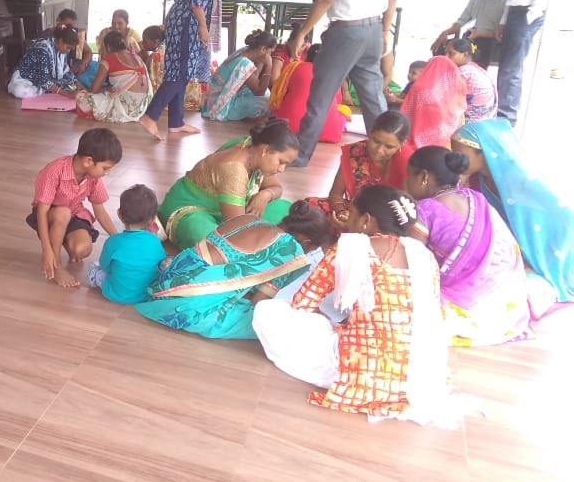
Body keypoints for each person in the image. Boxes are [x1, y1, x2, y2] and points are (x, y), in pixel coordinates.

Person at [254, 185, 453, 425]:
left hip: (360, 375)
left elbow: (302, 304)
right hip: (420, 377)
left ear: (366, 220)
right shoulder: (425, 256)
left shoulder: (350, 247)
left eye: (352, 212)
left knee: (268, 311)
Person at [287, 0, 397, 167]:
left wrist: (302, 32)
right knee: (373, 96)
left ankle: (301, 156)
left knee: (321, 96)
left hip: (346, 32)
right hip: (374, 28)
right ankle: (389, 155)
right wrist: (384, 31)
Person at [135, 201, 329, 339]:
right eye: (312, 250)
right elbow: (258, 302)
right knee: (277, 325)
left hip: (168, 280)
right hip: (189, 306)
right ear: (307, 243)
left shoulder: (250, 218)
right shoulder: (289, 250)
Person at [405, 146, 530, 346]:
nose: (406, 182)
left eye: (409, 175)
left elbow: (412, 261)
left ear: (424, 177)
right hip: (506, 301)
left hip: (463, 304)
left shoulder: (424, 211)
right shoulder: (476, 199)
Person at [452, 118, 574, 303]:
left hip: (543, 255)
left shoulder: (522, 182)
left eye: (460, 154)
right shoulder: (477, 181)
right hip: (508, 252)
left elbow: (555, 222)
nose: (455, 160)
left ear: (484, 153)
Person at [139, 0, 225, 140]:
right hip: (190, 20)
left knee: (178, 70)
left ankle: (176, 122)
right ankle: (150, 116)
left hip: (181, 17)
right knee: (183, 70)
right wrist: (203, 27)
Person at [158, 119, 298, 250]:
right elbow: (238, 228)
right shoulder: (234, 168)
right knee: (207, 238)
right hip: (191, 210)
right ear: (266, 150)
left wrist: (265, 195)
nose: (282, 169)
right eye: (281, 162)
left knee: (288, 211)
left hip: (231, 211)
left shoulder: (253, 149)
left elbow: (277, 188)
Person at [28, 127, 120, 288]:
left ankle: (64, 239)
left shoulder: (93, 177)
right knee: (62, 213)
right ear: (88, 161)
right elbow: (42, 212)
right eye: (105, 168)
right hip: (50, 215)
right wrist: (47, 250)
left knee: (82, 250)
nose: (107, 173)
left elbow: (101, 213)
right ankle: (56, 265)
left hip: (73, 213)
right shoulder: (54, 171)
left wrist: (119, 239)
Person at [309, 110, 413, 230]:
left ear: (402, 144)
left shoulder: (408, 163)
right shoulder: (355, 152)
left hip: (387, 224)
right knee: (310, 207)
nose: (379, 150)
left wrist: (363, 226)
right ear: (370, 132)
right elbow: (336, 193)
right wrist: (341, 213)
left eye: (389, 147)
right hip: (356, 213)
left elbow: (405, 214)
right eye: (375, 141)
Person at [86, 184, 165, 304]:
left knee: (95, 267)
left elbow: (104, 266)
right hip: (146, 295)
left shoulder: (113, 241)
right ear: (152, 219)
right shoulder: (154, 240)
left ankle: (94, 278)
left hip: (115, 294)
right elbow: (160, 262)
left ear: (119, 214)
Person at [431, 0, 510, 68]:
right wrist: (445, 33)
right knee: (441, 47)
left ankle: (470, 77)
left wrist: (480, 33)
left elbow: (507, 32)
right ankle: (445, 80)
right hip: (474, 37)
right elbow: (462, 20)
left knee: (474, 49)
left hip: (493, 41)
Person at [269, 45, 349, 143]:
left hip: (288, 128)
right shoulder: (332, 72)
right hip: (328, 131)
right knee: (345, 111)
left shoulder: (294, 67)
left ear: (306, 55)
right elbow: (338, 101)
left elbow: (279, 92)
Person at [75, 30, 153, 123]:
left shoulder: (109, 59)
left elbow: (93, 91)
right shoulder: (137, 57)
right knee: (108, 95)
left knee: (81, 98)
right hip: (143, 108)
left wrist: (83, 91)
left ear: (108, 47)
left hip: (125, 108)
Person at [201, 29, 275, 122]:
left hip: (211, 101)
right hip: (216, 106)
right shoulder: (244, 62)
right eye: (270, 52)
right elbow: (259, 92)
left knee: (266, 93)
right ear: (263, 49)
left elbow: (254, 82)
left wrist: (260, 64)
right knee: (267, 102)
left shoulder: (244, 51)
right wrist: (269, 66)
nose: (270, 55)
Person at [400, 55, 468, 149]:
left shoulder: (420, 88)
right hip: (445, 141)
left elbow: (408, 111)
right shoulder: (455, 90)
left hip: (418, 141)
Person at [8, 25, 79, 99]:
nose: (68, 51)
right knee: (20, 91)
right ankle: (47, 90)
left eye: (70, 49)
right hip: (27, 79)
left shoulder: (60, 49)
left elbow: (66, 72)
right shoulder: (42, 49)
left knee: (67, 80)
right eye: (68, 47)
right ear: (60, 41)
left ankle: (49, 89)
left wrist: (83, 89)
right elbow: (43, 80)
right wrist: (68, 95)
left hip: (45, 79)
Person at [444, 38, 497, 121]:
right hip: (486, 118)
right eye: (445, 53)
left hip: (472, 121)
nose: (446, 57)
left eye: (451, 54)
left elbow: (446, 95)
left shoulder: (464, 71)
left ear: (465, 55)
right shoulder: (477, 69)